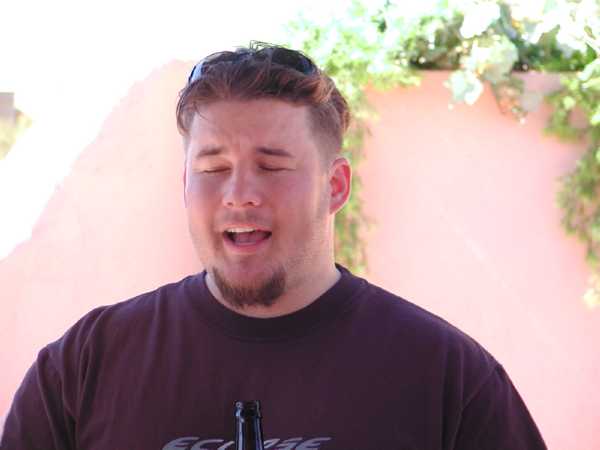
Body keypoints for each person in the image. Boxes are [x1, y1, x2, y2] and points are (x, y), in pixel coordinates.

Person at [0, 42, 547, 450]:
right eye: (213, 168)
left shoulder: (447, 376)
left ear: (336, 186)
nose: (239, 194)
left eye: (272, 166)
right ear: (185, 185)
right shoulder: (84, 367)